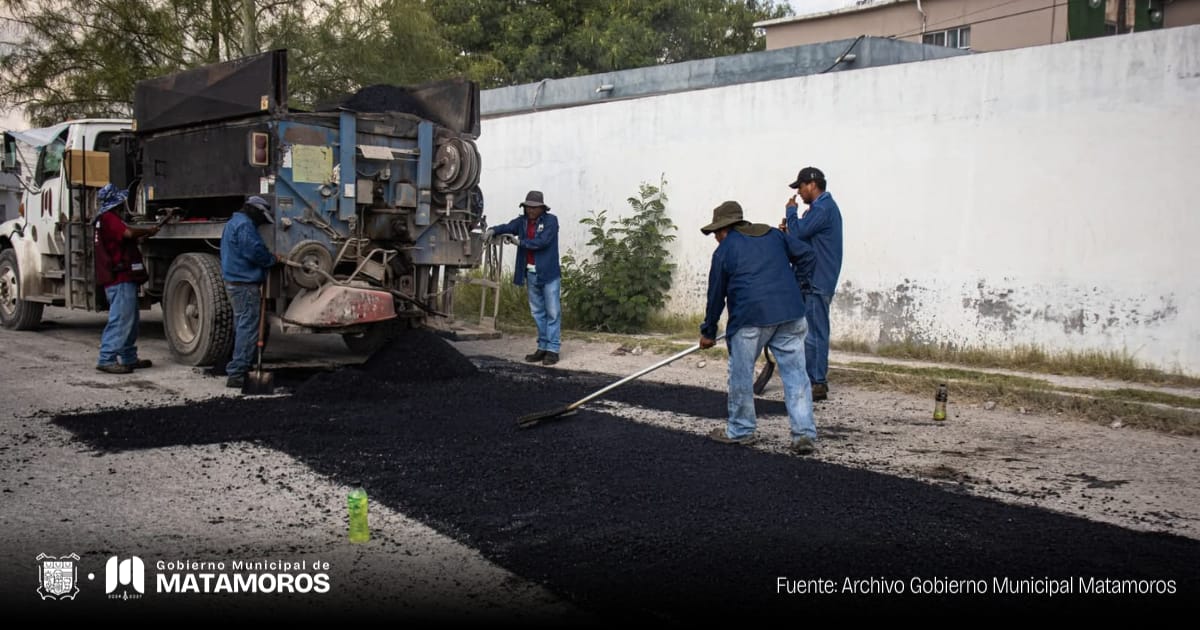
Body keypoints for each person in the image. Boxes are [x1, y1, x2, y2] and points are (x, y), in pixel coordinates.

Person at [699, 201, 819, 455]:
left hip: (750, 318)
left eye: (716, 233)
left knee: (741, 373)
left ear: (725, 229)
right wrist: (799, 289)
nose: (716, 239)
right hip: (791, 314)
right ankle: (804, 434)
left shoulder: (725, 250)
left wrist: (708, 332)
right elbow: (808, 255)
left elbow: (715, 296)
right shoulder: (774, 235)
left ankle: (741, 430)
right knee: (796, 375)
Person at [784, 166, 843, 402]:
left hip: (818, 279)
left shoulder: (823, 207)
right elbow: (801, 238)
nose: (798, 192)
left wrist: (791, 213)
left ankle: (818, 382)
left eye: (800, 187)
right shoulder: (818, 210)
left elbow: (800, 234)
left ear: (812, 184)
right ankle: (811, 377)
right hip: (811, 278)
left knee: (815, 333)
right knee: (808, 331)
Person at [484, 190, 561, 366]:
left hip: (548, 274)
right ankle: (542, 347)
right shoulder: (522, 221)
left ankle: (553, 350)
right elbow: (507, 227)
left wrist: (520, 242)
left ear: (542, 208)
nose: (531, 210)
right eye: (528, 207)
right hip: (531, 273)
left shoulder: (551, 221)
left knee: (553, 312)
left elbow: (542, 242)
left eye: (534, 208)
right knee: (537, 313)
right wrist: (492, 230)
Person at [94, 184, 159, 374]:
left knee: (130, 319)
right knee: (122, 319)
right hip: (119, 278)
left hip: (121, 277)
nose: (123, 205)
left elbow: (124, 239)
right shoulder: (109, 218)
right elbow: (128, 233)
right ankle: (106, 358)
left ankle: (129, 357)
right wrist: (148, 230)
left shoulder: (105, 219)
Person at [220, 195, 280, 388]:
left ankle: (240, 366)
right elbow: (254, 251)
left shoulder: (233, 222)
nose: (262, 222)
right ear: (254, 210)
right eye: (261, 217)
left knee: (242, 325)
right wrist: (272, 260)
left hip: (235, 283)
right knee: (248, 328)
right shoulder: (245, 226)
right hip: (245, 284)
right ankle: (238, 372)